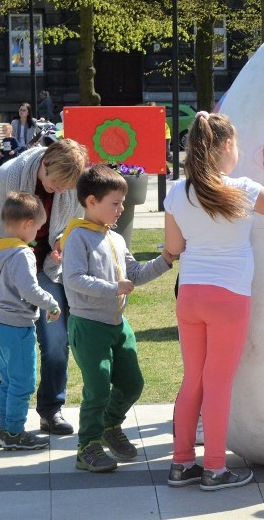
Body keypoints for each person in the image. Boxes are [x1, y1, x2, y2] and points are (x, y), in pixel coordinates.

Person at [164, 111, 264, 491]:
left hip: (190, 294)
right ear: (226, 147)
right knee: (218, 383)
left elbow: (174, 248)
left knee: (193, 379)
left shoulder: (177, 191)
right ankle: (215, 468)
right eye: (235, 144)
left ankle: (181, 463)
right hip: (229, 295)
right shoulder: (243, 188)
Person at [0, 138, 88, 439]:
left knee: (56, 338)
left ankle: (51, 409)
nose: (58, 189)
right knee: (3, 339)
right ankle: (8, 420)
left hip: (42, 262)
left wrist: (60, 244)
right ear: (44, 163)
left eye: (65, 186)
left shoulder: (68, 184)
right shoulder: (6, 179)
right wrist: (23, 291)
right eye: (54, 182)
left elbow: (71, 223)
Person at [61, 164, 175, 472]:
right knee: (97, 387)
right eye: (115, 203)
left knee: (133, 383)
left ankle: (110, 425)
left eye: (122, 202)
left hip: (118, 325)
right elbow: (72, 279)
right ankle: (88, 447)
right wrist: (114, 288)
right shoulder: (78, 238)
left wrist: (166, 259)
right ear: (91, 202)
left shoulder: (115, 238)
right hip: (89, 326)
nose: (121, 208)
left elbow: (135, 273)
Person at [0, 192, 59, 451]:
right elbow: (30, 289)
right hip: (17, 325)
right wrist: (51, 302)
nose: (37, 234)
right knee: (23, 382)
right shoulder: (22, 254)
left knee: (7, 380)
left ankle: (4, 428)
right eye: (37, 228)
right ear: (27, 224)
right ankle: (15, 432)